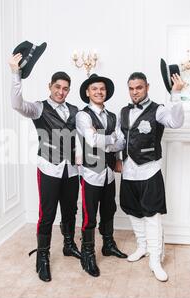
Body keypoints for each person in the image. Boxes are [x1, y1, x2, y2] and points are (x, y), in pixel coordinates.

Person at [9, 52, 81, 282]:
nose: (61, 92)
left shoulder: (75, 111)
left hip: (71, 170)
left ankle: (69, 245)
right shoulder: (39, 108)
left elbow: (83, 137)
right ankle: (43, 256)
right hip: (49, 168)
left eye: (65, 88)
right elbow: (16, 104)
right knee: (47, 214)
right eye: (57, 87)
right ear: (50, 86)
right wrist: (15, 74)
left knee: (70, 210)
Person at [118, 69, 185, 282]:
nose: (135, 92)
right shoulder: (124, 111)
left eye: (139, 87)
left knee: (152, 216)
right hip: (128, 171)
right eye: (131, 88)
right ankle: (142, 246)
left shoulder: (159, 110)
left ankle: (155, 259)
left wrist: (175, 95)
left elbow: (176, 122)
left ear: (147, 87)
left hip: (149, 171)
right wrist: (103, 143)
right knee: (133, 212)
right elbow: (121, 140)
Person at [76, 74, 127, 278]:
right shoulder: (83, 115)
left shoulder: (113, 116)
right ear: (88, 92)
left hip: (108, 173)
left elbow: (121, 142)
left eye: (102, 89)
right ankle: (87, 254)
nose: (99, 92)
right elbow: (91, 140)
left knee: (109, 210)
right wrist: (110, 138)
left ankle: (108, 244)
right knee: (89, 216)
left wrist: (106, 140)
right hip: (91, 172)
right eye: (94, 89)